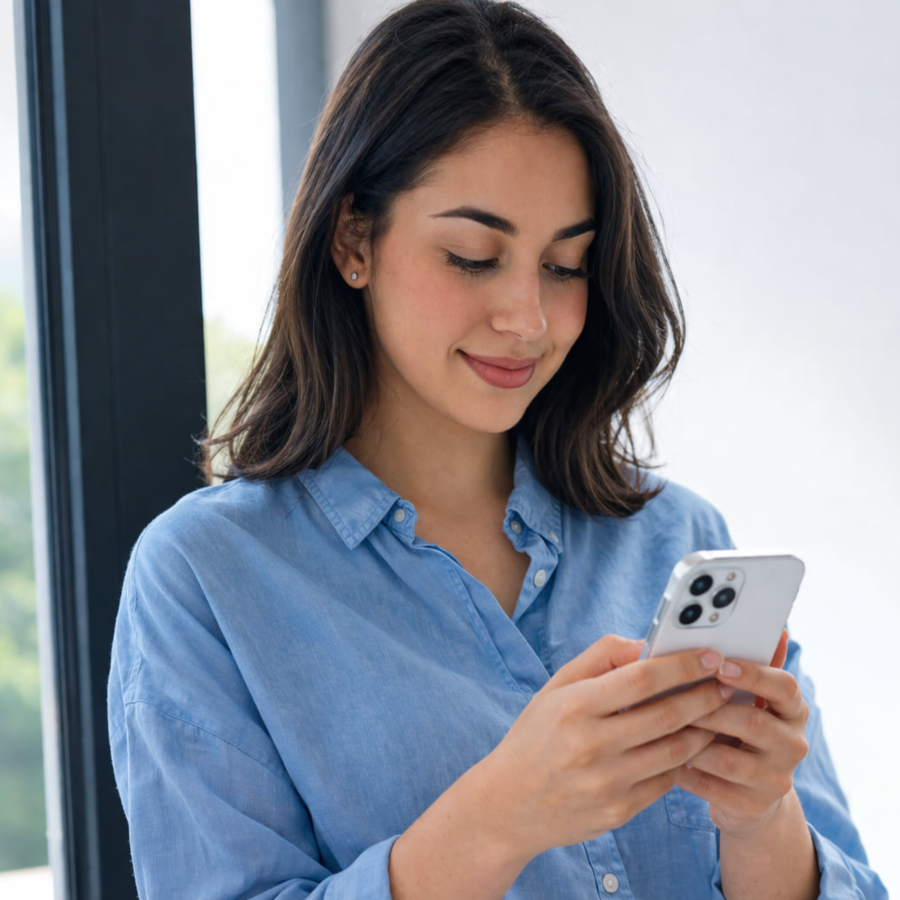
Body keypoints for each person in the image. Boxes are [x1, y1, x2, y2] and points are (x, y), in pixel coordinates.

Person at [106, 1, 887, 897]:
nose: (527, 319)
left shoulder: (674, 539)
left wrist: (760, 817)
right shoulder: (207, 579)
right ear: (354, 238)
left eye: (565, 266)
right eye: (474, 256)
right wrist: (501, 815)